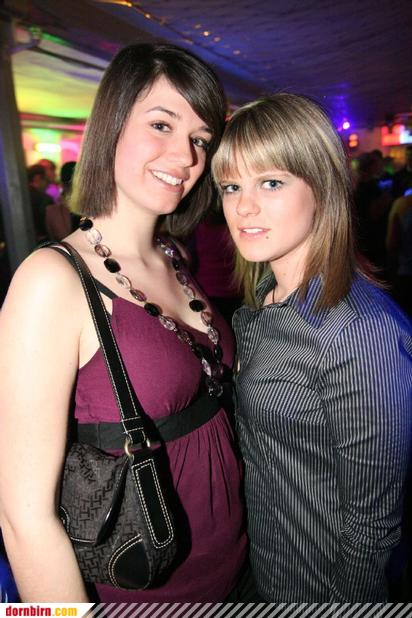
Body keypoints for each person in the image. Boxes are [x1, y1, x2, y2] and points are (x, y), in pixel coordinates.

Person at [0, 43, 247, 602]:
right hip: (147, 591)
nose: (185, 156)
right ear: (111, 124)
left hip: (238, 568)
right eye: (161, 124)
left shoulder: (174, 254)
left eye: (200, 139)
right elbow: (24, 518)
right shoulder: (51, 280)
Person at [211, 93, 412, 602]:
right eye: (231, 186)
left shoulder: (359, 332)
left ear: (322, 187)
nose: (243, 206)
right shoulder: (259, 305)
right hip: (264, 572)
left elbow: (372, 527)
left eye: (271, 182)